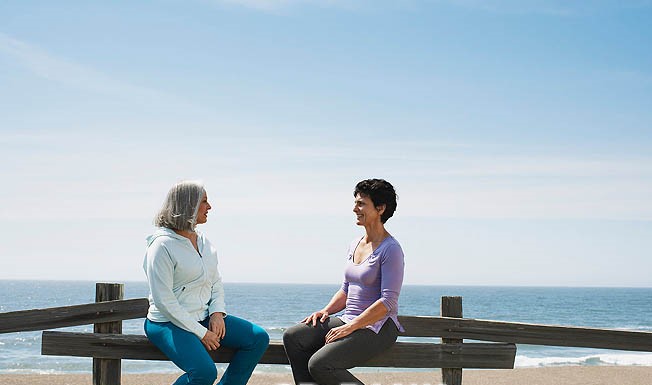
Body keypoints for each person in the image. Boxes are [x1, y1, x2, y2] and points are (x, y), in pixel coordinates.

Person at [143, 180, 269, 385]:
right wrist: (202, 333)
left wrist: (217, 313)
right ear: (188, 205)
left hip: (203, 316)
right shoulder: (161, 246)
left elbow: (215, 281)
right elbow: (164, 302)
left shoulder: (204, 242)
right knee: (204, 372)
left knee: (257, 338)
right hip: (167, 322)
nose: (209, 207)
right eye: (204, 201)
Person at [283, 178, 405, 385]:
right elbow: (346, 289)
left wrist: (350, 328)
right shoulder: (355, 244)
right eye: (355, 203)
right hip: (350, 319)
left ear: (380, 208)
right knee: (293, 336)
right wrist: (326, 311)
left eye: (361, 204)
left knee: (320, 364)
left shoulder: (391, 249)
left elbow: (388, 302)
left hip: (378, 328)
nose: (355, 209)